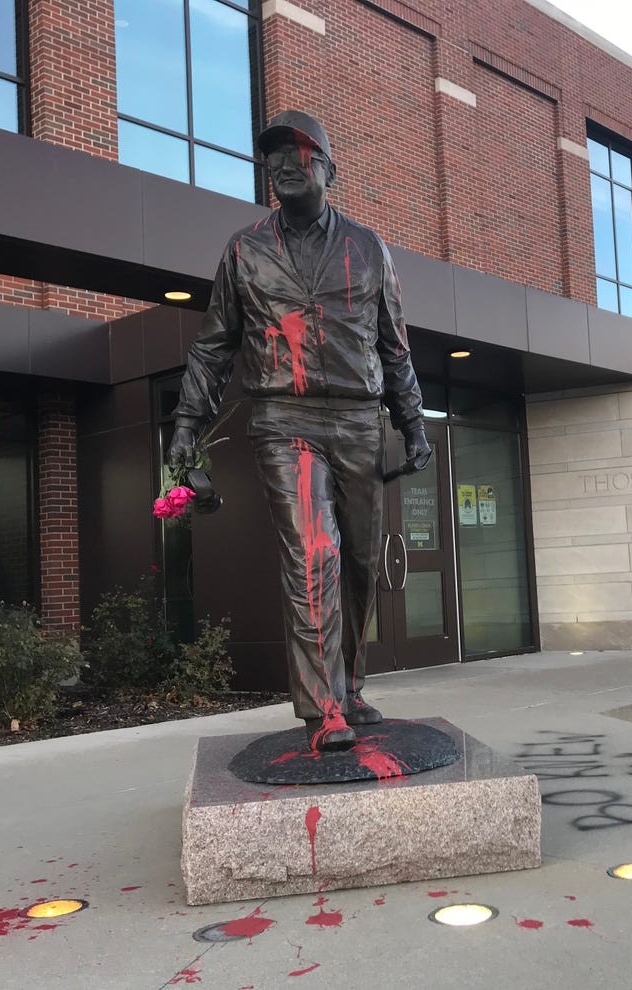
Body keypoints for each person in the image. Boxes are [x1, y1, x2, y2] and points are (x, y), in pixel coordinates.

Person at [167, 111, 427, 752]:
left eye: (302, 154)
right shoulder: (244, 250)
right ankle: (322, 708)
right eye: (274, 155)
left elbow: (395, 348)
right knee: (314, 552)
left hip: (359, 421)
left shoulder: (368, 249)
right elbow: (211, 349)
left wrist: (412, 422)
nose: (285, 164)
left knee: (361, 563)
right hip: (285, 420)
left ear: (330, 170)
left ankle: (350, 685)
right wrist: (185, 430)